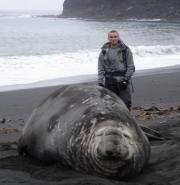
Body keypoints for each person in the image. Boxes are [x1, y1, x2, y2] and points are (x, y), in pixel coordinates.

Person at [98, 30, 135, 110]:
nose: (113, 38)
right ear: (108, 38)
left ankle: (126, 121)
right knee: (111, 104)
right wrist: (100, 82)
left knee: (126, 103)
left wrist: (126, 80)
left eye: (115, 36)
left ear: (118, 37)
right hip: (109, 81)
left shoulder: (125, 50)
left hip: (122, 80)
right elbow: (100, 67)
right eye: (111, 37)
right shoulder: (104, 51)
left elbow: (131, 66)